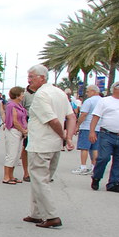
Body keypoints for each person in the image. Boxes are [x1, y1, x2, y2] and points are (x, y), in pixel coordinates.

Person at [22, 64, 76, 228]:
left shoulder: (41, 95)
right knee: (41, 179)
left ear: (42, 78)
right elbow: (71, 117)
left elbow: (53, 120)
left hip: (41, 144)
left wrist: (65, 137)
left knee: (40, 180)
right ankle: (36, 213)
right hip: (53, 145)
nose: (29, 80)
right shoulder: (59, 93)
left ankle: (51, 216)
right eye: (29, 76)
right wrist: (69, 137)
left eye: (32, 77)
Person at [88, 81, 119, 192]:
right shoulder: (105, 101)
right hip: (107, 134)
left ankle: (113, 183)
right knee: (104, 157)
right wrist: (92, 131)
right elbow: (95, 117)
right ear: (116, 89)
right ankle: (96, 177)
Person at [72, 84, 102, 174]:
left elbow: (84, 114)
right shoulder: (103, 101)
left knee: (84, 148)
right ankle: (94, 167)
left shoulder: (89, 101)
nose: (87, 93)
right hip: (99, 127)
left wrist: (77, 125)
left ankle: (83, 167)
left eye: (88, 91)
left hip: (87, 127)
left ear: (93, 91)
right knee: (95, 148)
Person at [2, 86, 27, 184]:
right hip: (13, 131)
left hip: (19, 132)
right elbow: (15, 121)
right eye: (22, 94)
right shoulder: (11, 105)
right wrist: (23, 130)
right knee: (11, 154)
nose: (23, 95)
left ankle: (11, 175)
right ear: (17, 95)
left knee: (16, 156)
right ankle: (6, 176)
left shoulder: (19, 106)